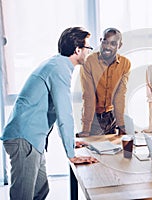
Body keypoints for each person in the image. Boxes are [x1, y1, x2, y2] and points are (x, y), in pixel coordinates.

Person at [0, 27, 98, 200]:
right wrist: (71, 154)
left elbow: (58, 111)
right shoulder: (59, 69)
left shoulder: (58, 64)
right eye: (88, 48)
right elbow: (64, 113)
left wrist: (71, 142)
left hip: (32, 139)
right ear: (77, 50)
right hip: (25, 139)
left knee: (41, 190)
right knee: (23, 196)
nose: (89, 52)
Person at [76, 28, 131, 137]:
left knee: (113, 150)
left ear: (119, 45)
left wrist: (121, 125)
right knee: (96, 150)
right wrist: (86, 129)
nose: (107, 47)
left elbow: (120, 96)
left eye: (113, 43)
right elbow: (89, 96)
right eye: (105, 42)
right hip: (94, 118)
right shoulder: (89, 61)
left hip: (111, 117)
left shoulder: (125, 64)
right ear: (100, 40)